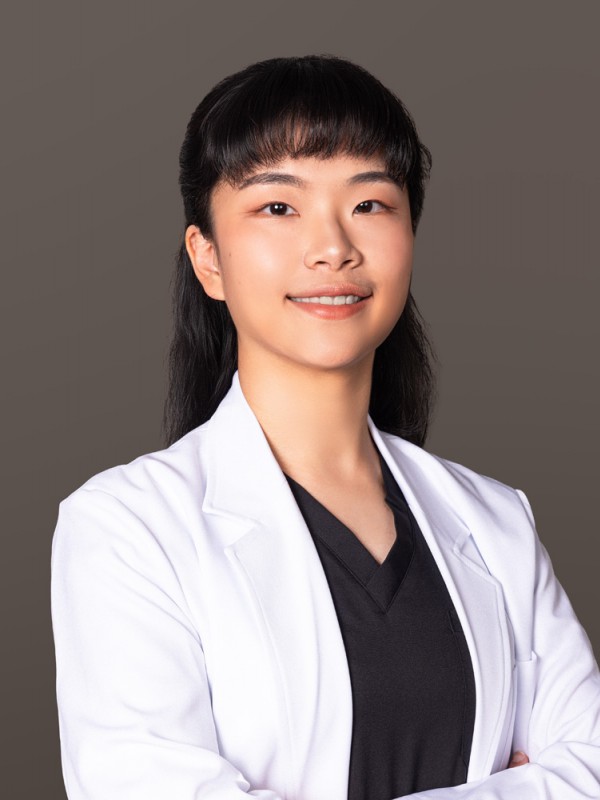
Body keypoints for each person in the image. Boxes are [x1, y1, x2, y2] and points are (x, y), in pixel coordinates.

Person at [50, 55, 600, 800]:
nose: (333, 246)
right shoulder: (127, 529)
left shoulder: (496, 520)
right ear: (208, 259)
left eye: (370, 203)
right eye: (278, 207)